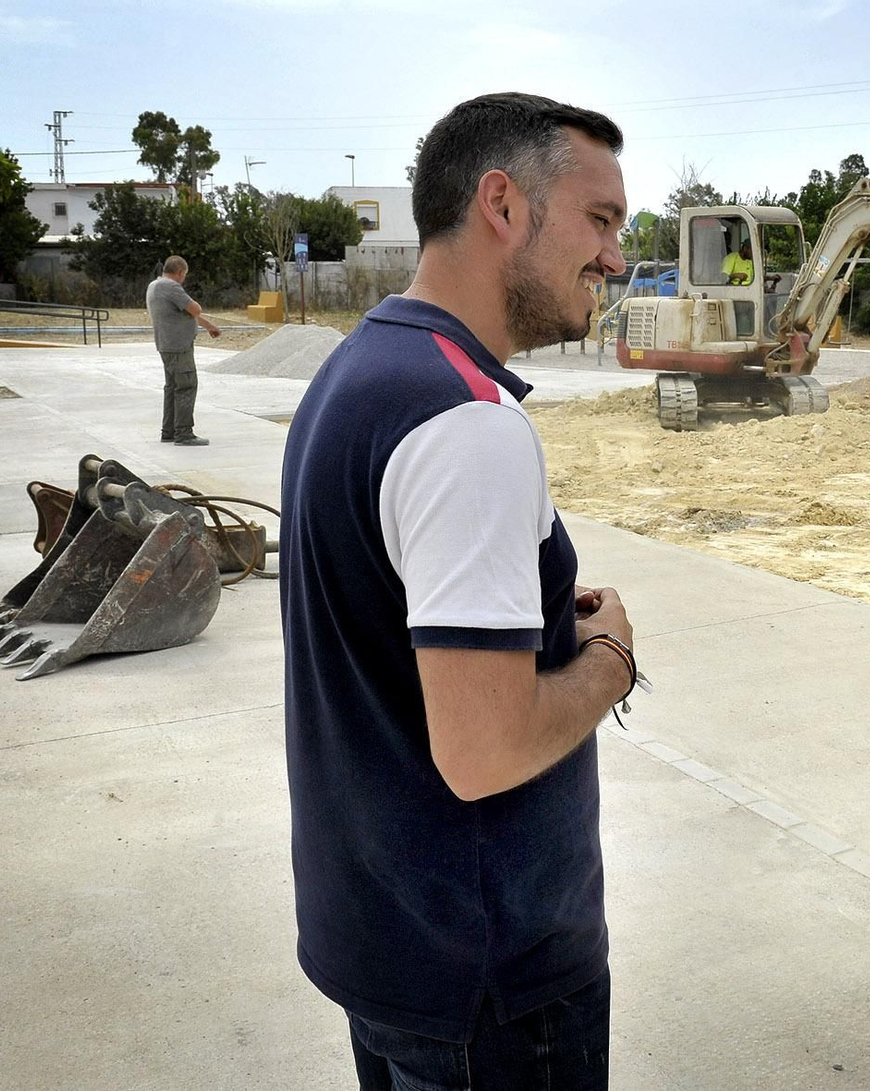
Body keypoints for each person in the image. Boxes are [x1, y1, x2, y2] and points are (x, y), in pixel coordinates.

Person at [280, 92, 635, 1090]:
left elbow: (379, 623)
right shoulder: (466, 423)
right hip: (492, 989)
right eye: (599, 221)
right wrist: (610, 659)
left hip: (385, 946)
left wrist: (520, 623)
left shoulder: (359, 371)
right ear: (502, 203)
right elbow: (482, 750)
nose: (614, 257)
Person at [145, 255, 220, 446]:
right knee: (187, 386)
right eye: (184, 275)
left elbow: (187, 313)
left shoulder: (155, 285)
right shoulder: (171, 286)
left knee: (172, 388)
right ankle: (184, 433)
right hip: (179, 347)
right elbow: (195, 309)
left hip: (166, 345)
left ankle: (168, 431)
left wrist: (209, 325)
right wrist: (201, 315)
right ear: (180, 272)